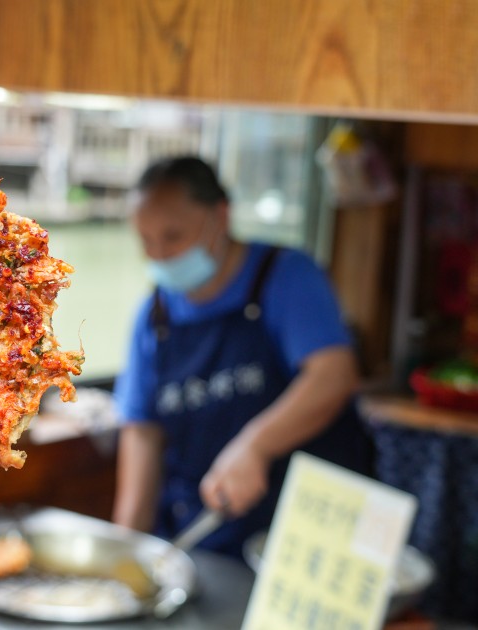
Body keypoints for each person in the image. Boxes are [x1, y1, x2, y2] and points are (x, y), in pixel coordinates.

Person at [112, 156, 371, 557]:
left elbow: (333, 375)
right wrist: (123, 552)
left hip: (305, 537)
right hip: (203, 535)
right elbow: (142, 435)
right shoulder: (152, 319)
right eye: (146, 241)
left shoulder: (287, 276)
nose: (159, 254)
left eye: (173, 236)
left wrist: (256, 446)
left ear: (220, 216)